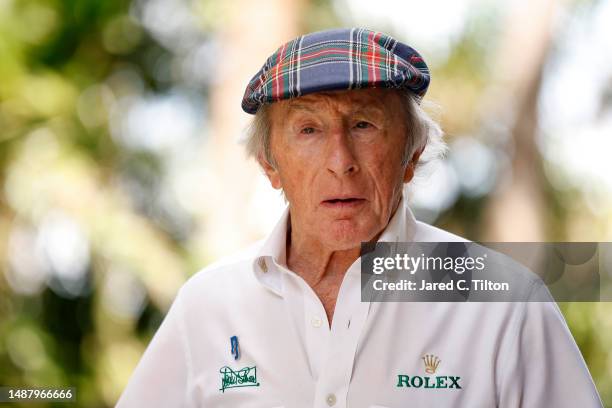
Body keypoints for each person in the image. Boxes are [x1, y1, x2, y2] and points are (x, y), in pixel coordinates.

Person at [117, 28, 602, 407]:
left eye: (364, 124)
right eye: (308, 129)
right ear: (269, 164)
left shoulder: (507, 302)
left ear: (412, 153)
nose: (340, 159)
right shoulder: (207, 306)